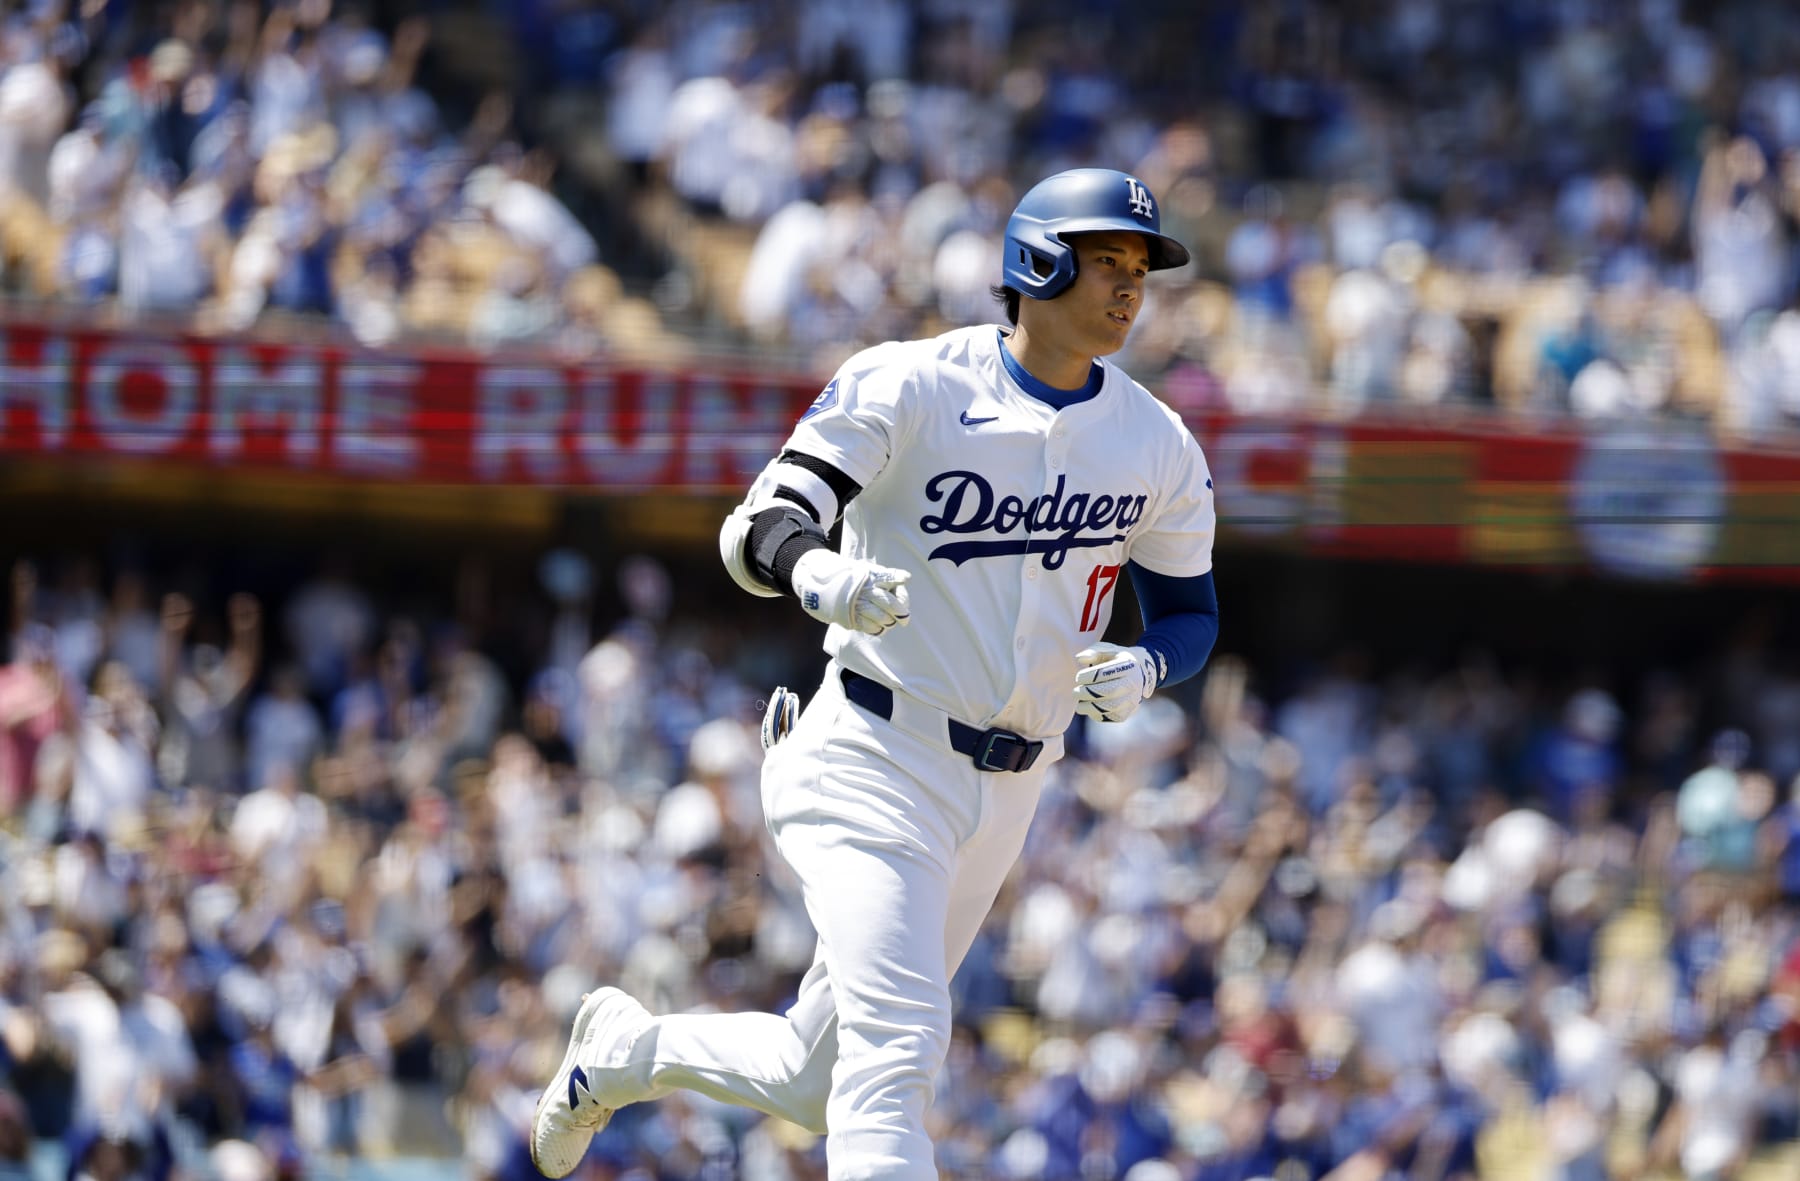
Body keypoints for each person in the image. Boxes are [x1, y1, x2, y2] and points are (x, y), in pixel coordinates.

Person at [530, 167, 1223, 1180]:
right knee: (898, 1050)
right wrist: (820, 572)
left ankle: (626, 1051)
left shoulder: (1153, 439)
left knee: (819, 1075)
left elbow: (1193, 611)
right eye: (1107, 259)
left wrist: (1152, 663)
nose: (1129, 285)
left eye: (1140, 268)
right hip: (873, 750)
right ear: (1036, 262)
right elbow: (758, 523)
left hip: (1010, 782)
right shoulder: (914, 383)